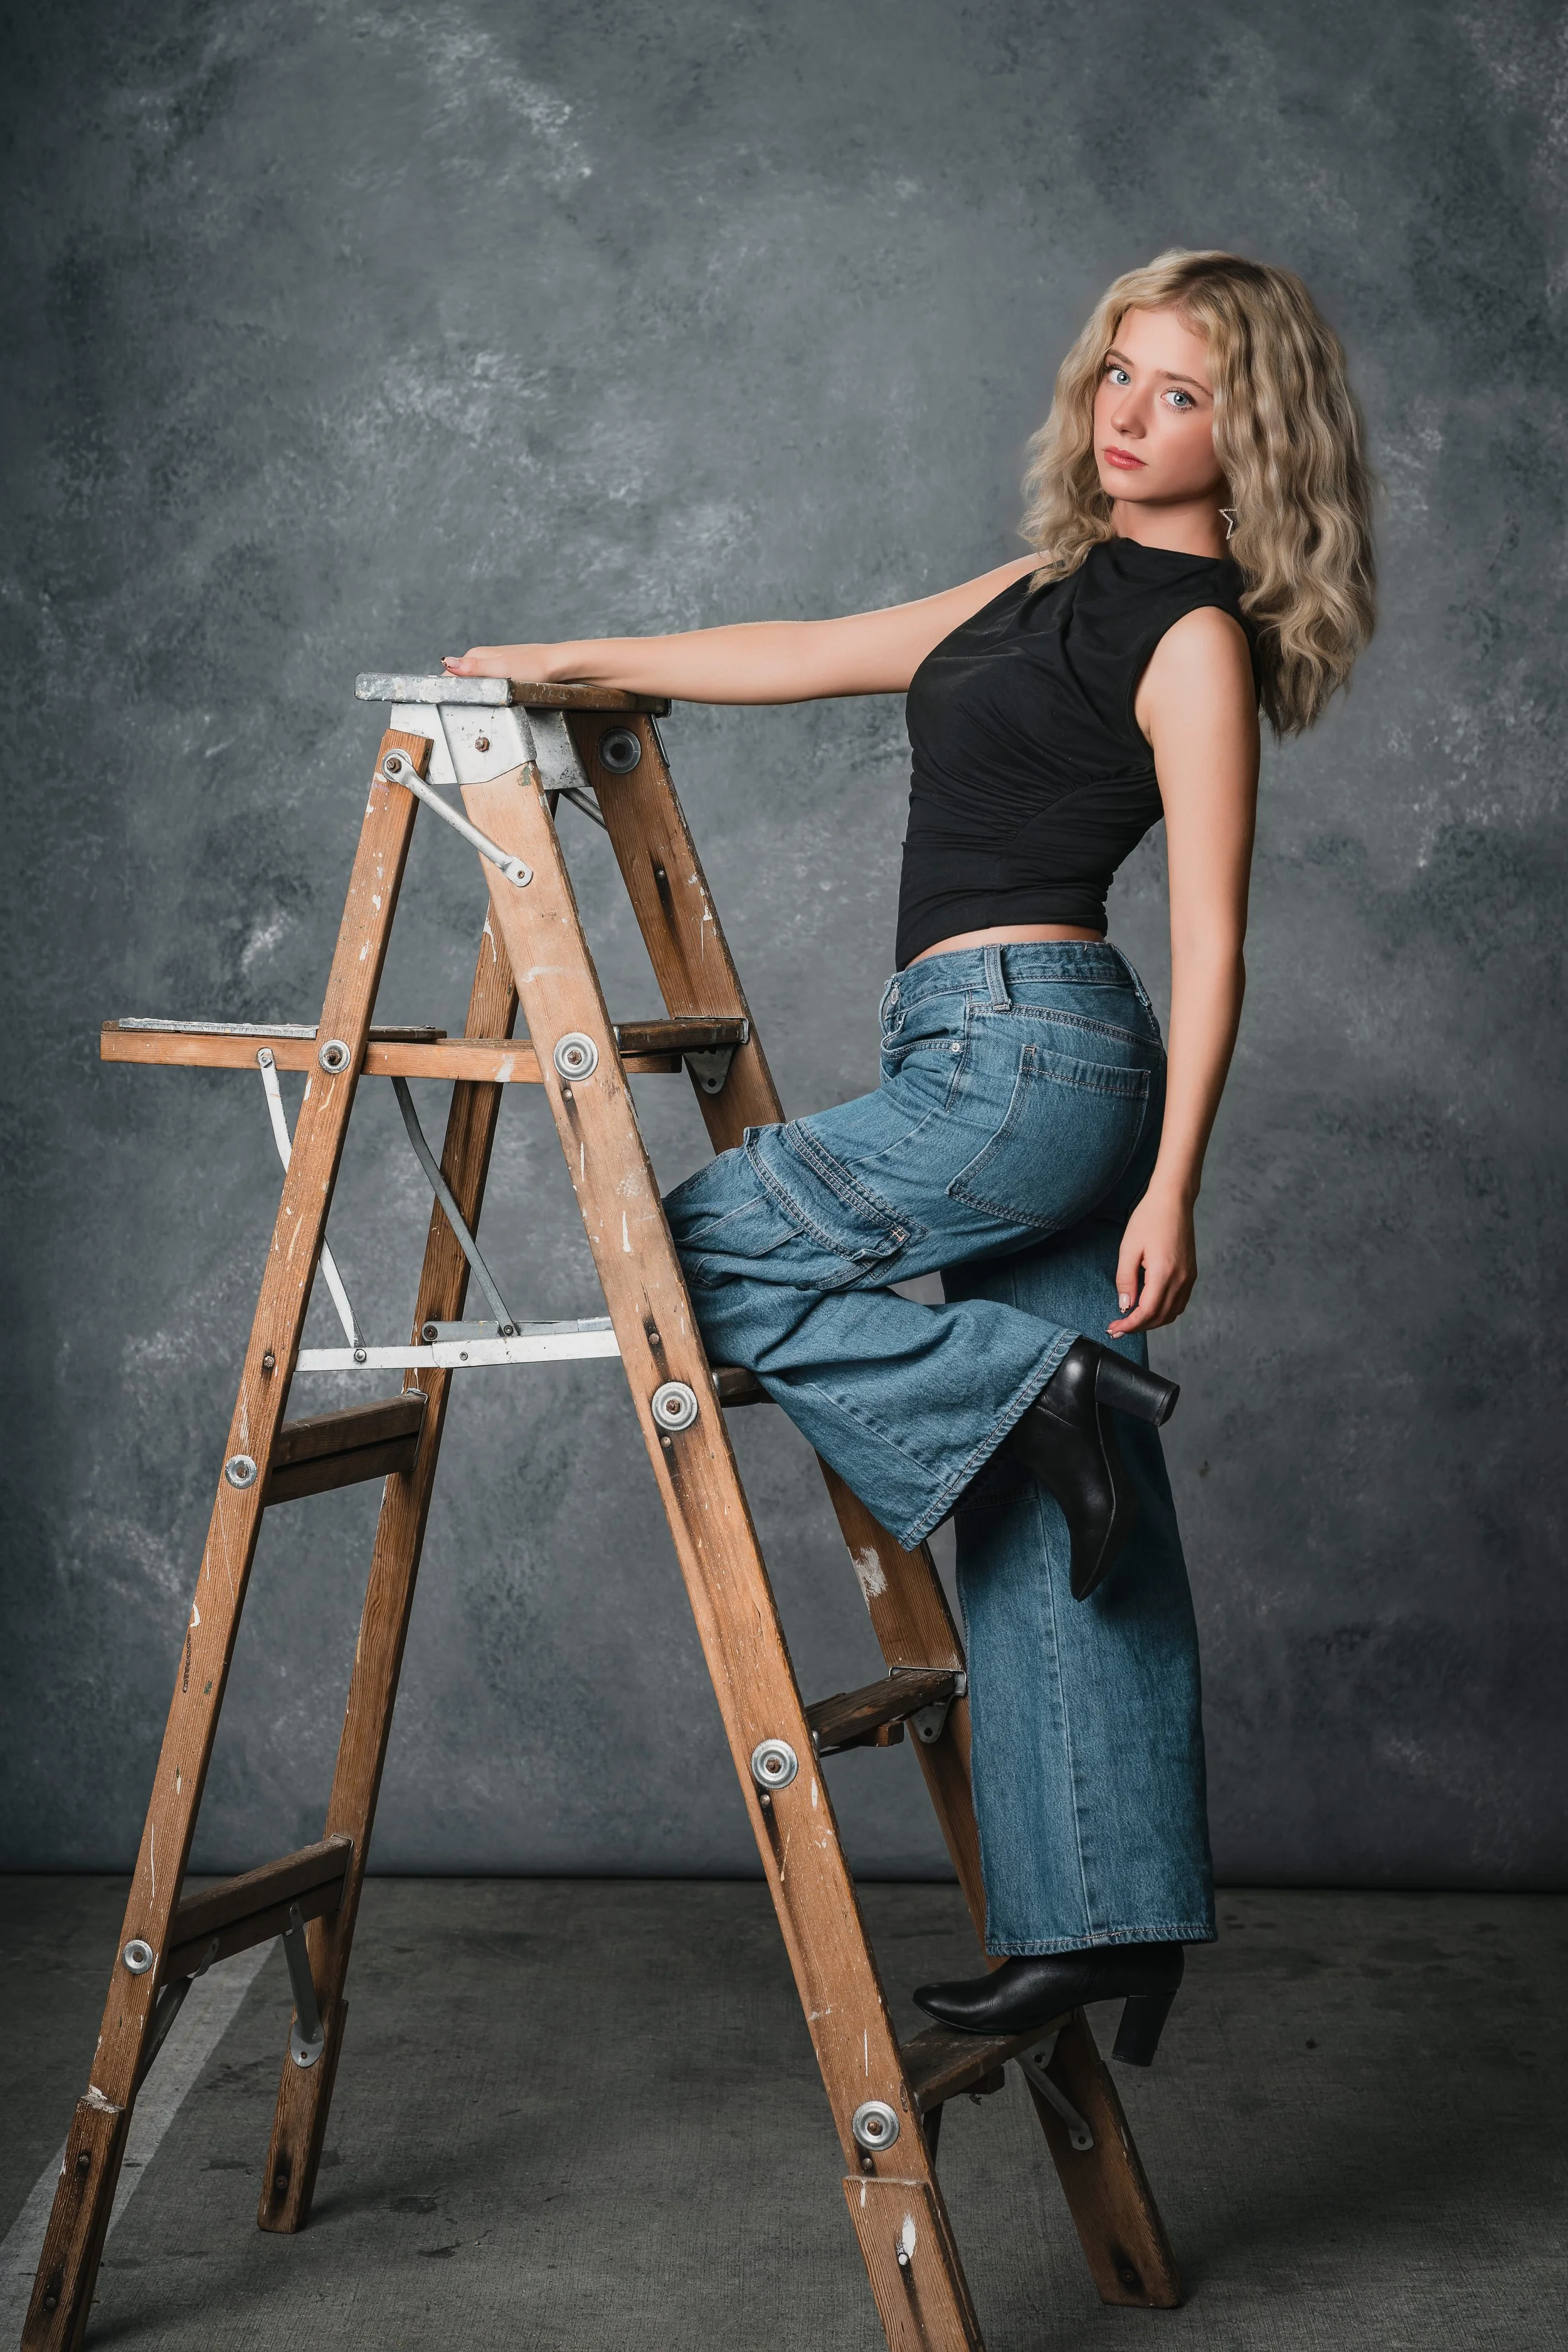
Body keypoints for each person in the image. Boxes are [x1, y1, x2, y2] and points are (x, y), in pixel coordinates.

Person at [445, 248, 1375, 2065]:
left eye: (1182, 392)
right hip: (979, 1046)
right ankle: (1097, 1915)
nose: (1128, 412)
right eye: (1120, 370)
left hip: (1035, 1051)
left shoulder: (1189, 637)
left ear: (1252, 434)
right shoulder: (1041, 585)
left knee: (676, 1257)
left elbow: (1213, 933)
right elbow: (799, 651)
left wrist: (1176, 1178)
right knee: (1056, 1516)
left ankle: (1033, 1389)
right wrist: (570, 656)